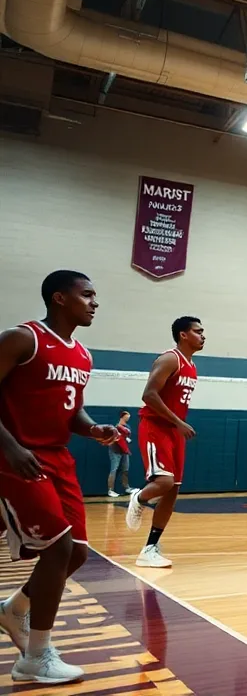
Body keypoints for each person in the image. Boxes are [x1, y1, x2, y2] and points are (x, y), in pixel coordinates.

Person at [0, 270, 125, 684]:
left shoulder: (83, 355)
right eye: (86, 295)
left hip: (58, 458)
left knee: (76, 553)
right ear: (58, 299)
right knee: (57, 549)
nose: (94, 302)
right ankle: (35, 659)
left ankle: (14, 609)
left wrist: (93, 429)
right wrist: (12, 447)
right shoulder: (23, 339)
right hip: (16, 456)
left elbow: (71, 411)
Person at [125, 316, 204, 568]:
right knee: (164, 481)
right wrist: (178, 422)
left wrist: (178, 426)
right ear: (183, 334)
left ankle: (149, 549)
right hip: (155, 427)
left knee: (173, 490)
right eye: (198, 331)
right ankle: (138, 497)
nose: (203, 336)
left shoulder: (192, 365)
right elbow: (148, 395)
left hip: (174, 432)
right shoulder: (170, 359)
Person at [107, 410, 134, 497]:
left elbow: (126, 437)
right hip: (115, 451)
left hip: (124, 451)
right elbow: (119, 440)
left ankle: (126, 488)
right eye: (127, 415)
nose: (128, 417)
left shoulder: (127, 427)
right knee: (114, 469)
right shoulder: (116, 427)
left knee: (125, 469)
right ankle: (110, 490)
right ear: (122, 416)